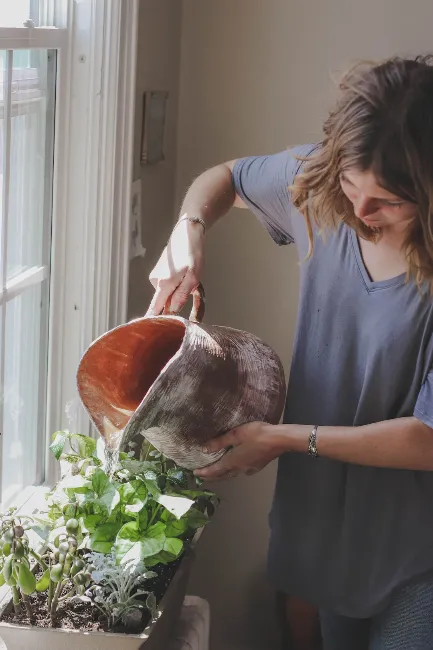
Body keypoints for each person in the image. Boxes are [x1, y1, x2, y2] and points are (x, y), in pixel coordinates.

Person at [146, 55, 433, 650]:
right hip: (325, 536)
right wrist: (190, 227)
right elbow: (225, 177)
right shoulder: (319, 185)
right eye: (353, 187)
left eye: (390, 202)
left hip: (417, 551)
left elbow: (429, 439)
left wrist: (280, 439)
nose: (361, 212)